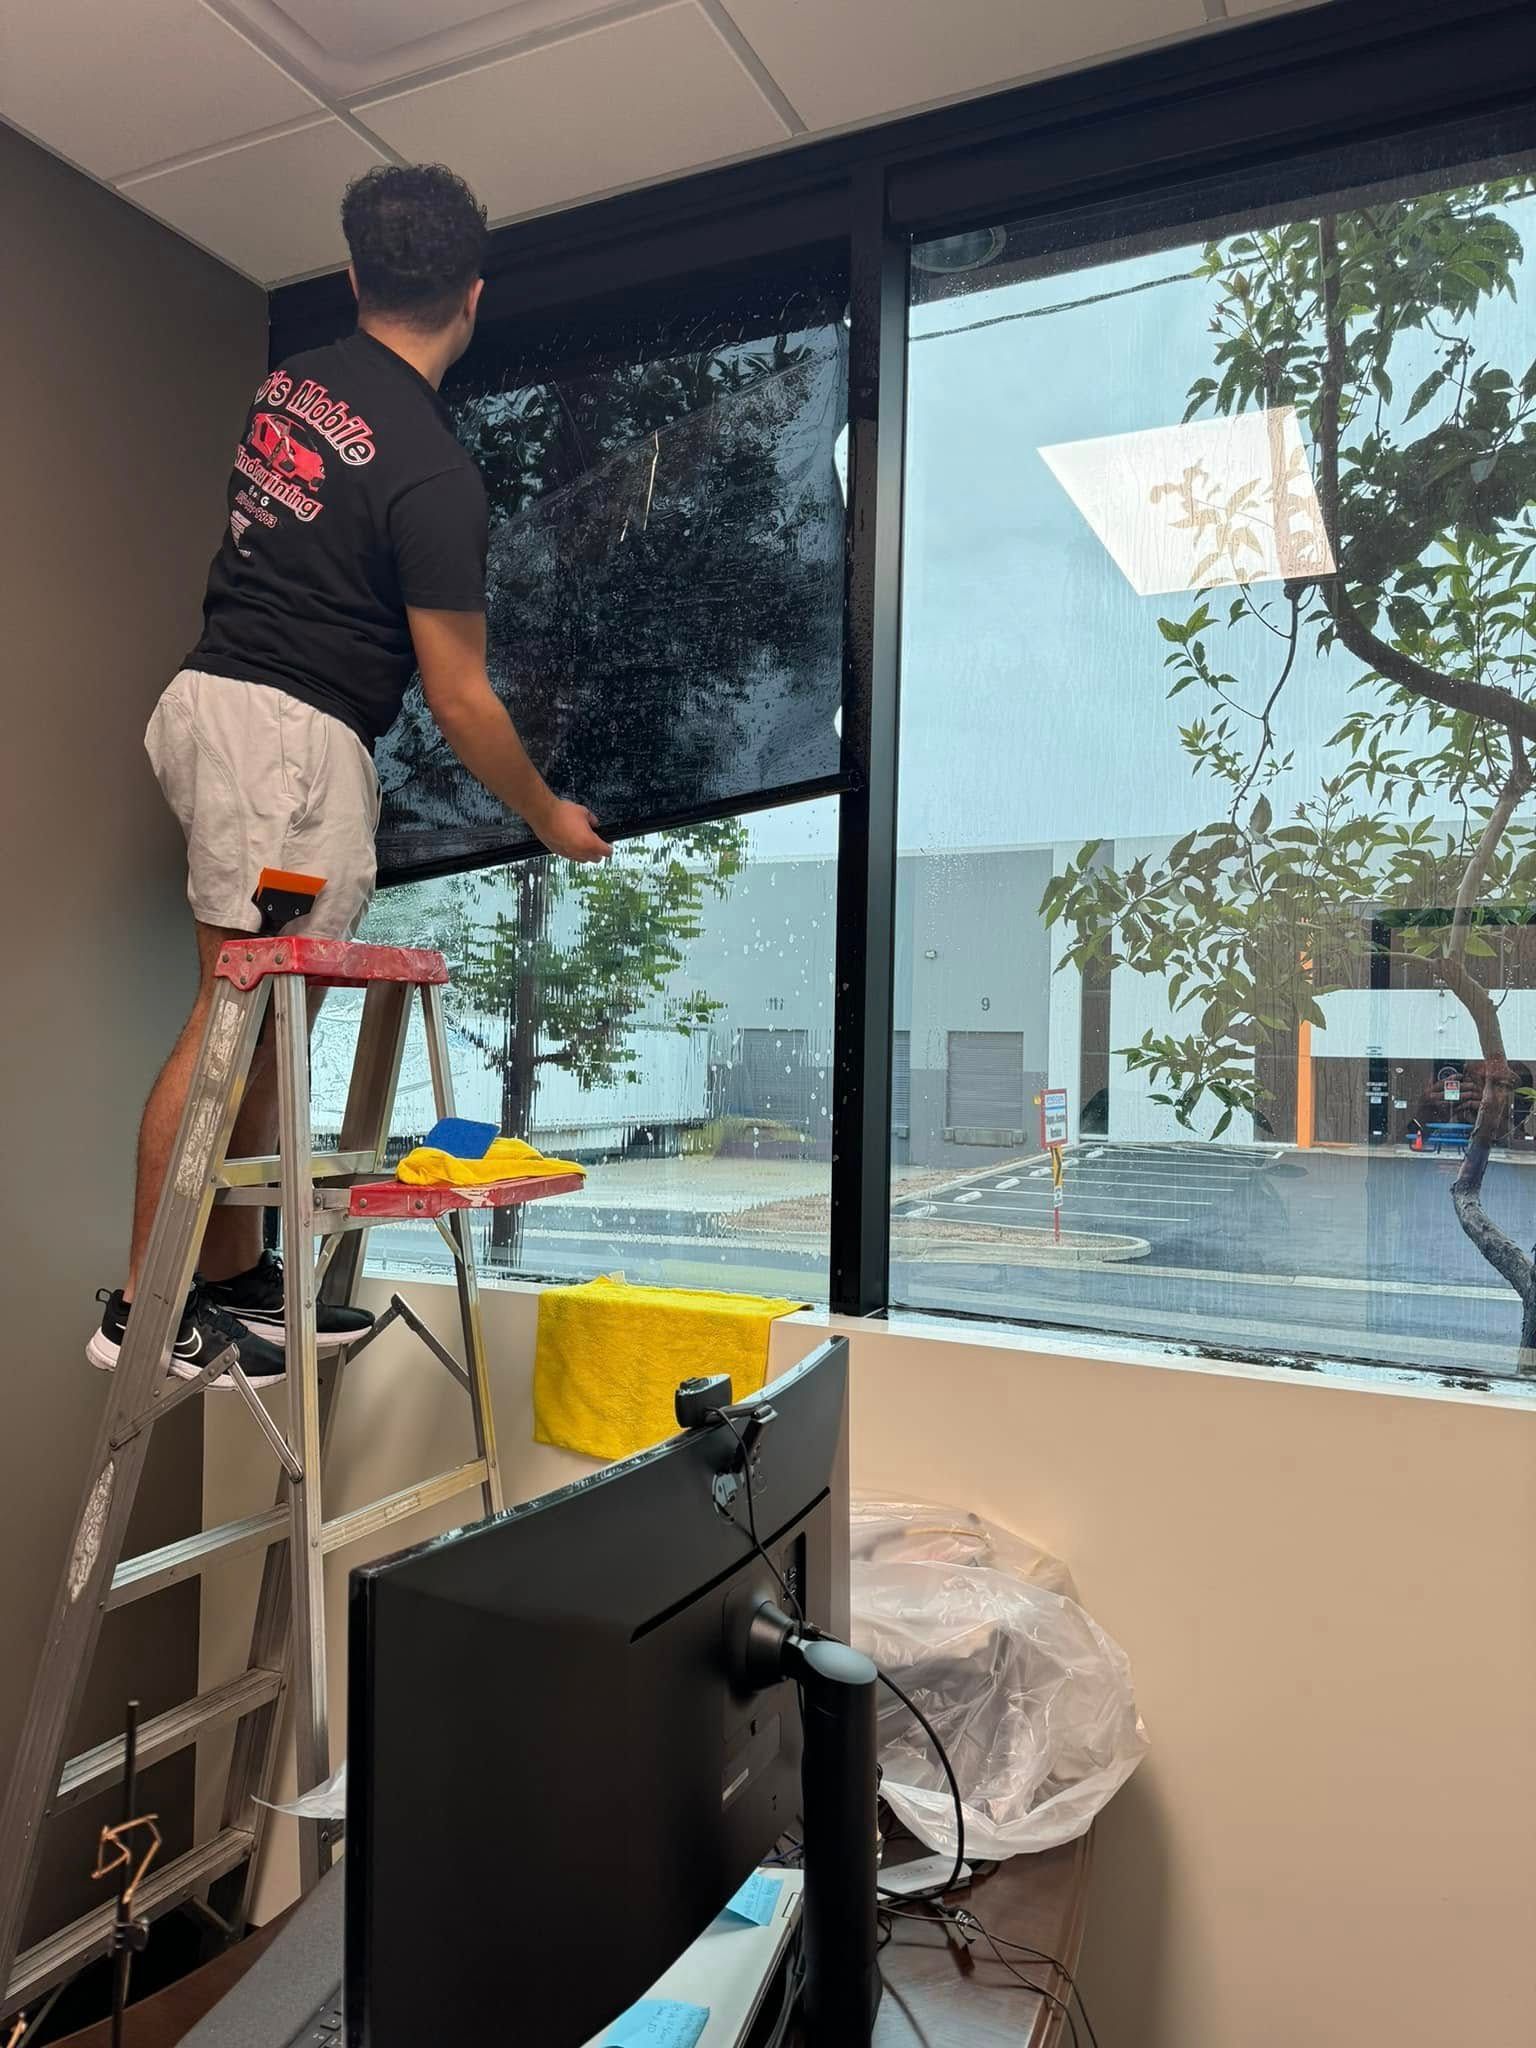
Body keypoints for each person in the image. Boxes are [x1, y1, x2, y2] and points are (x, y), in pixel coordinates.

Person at [91, 163, 611, 1385]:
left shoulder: (295, 383)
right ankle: (146, 1307)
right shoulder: (434, 471)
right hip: (283, 737)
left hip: (219, 702)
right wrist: (547, 817)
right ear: (472, 297)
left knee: (260, 1027)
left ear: (352, 277)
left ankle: (222, 1279)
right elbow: (461, 695)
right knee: (237, 1024)